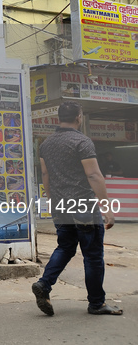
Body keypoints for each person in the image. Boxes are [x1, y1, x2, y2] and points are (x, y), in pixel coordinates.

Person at [32, 102, 122, 316]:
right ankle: (97, 303)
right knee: (92, 256)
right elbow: (93, 175)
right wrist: (107, 207)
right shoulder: (82, 141)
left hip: (60, 205)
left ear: (58, 118)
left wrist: (52, 199)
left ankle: (44, 284)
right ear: (79, 118)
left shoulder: (46, 144)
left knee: (65, 247)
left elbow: (45, 175)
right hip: (83, 206)